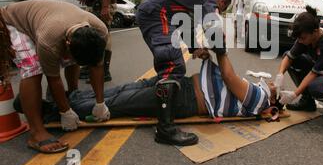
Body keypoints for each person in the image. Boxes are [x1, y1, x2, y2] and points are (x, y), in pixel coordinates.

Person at [14, 52, 283, 127]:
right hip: (182, 84)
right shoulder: (259, 90)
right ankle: (69, 99)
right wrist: (208, 56)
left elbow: (229, 75)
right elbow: (224, 76)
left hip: (183, 98)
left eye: (275, 88)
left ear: (274, 99)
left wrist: (220, 50)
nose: (272, 83)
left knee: (118, 104)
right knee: (118, 92)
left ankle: (49, 110)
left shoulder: (259, 100)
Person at [0, 0, 111, 154]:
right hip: (14, 21)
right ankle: (36, 134)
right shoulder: (48, 40)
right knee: (33, 68)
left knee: (72, 60)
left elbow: (97, 66)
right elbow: (54, 79)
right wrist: (65, 112)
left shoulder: (100, 32)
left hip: (53, 20)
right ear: (67, 43)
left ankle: (72, 94)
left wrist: (100, 103)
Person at [136, 0, 231, 146]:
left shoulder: (194, 0)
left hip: (151, 12)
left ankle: (162, 116)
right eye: (221, 9)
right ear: (221, 2)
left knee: (167, 64)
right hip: (157, 13)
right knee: (173, 64)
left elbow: (185, 25)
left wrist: (195, 49)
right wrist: (222, 51)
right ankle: (165, 130)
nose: (218, 12)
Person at [274, 6, 323, 121]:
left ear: (315, 31)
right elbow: (289, 57)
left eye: (303, 38)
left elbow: (313, 74)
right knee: (290, 58)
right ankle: (308, 102)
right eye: (299, 38)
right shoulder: (305, 36)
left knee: (315, 87)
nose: (300, 41)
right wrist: (280, 75)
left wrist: (294, 94)